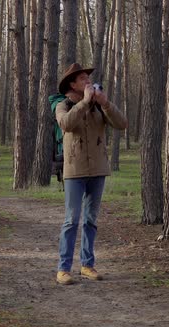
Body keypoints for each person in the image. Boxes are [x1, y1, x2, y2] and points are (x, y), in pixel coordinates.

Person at [55, 63, 128, 285]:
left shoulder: (99, 106)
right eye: (83, 79)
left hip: (98, 170)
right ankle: (63, 269)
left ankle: (87, 265)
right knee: (71, 221)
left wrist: (105, 103)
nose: (88, 82)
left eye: (89, 79)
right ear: (73, 84)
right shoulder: (63, 105)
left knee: (91, 221)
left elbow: (122, 124)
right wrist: (85, 103)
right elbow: (66, 124)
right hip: (74, 171)